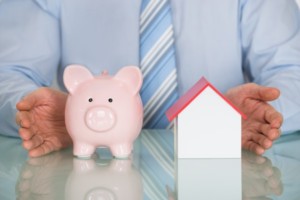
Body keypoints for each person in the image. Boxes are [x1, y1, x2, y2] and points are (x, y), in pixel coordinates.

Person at [0, 0, 299, 157]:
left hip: (222, 173)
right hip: (97, 177)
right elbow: (8, 72)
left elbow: (292, 71)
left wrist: (241, 117)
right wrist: (53, 114)